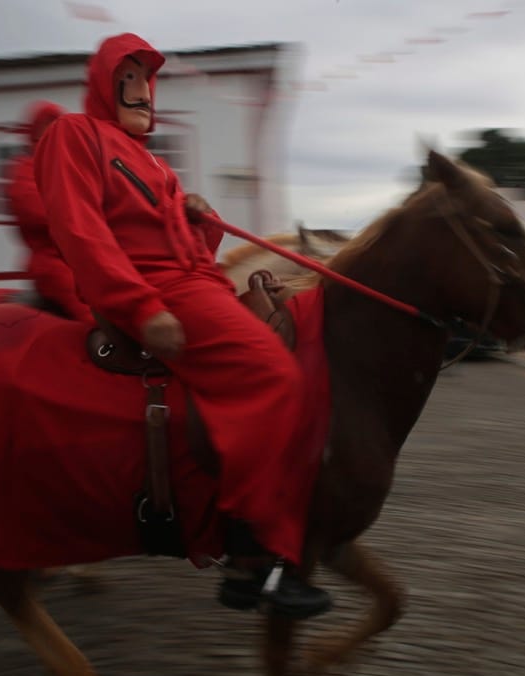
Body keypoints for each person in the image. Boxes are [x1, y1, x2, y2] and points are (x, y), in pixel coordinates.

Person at [33, 32, 331, 618]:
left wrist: (202, 217)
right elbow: (81, 230)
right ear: (103, 86)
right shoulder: (73, 134)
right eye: (127, 79)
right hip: (161, 290)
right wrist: (142, 309)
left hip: (199, 282)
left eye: (146, 81)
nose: (142, 92)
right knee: (272, 373)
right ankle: (253, 558)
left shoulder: (156, 166)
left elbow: (192, 249)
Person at [5, 100, 93, 323]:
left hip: (82, 257)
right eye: (46, 128)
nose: (53, 135)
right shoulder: (24, 170)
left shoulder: (70, 165)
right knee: (90, 312)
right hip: (51, 261)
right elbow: (38, 211)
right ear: (35, 133)